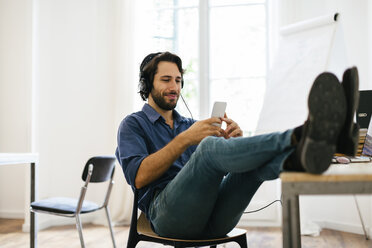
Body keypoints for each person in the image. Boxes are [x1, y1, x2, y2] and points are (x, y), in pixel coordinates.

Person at [115, 51, 359, 239]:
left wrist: (237, 144)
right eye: (166, 79)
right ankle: (303, 134)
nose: (174, 87)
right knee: (209, 148)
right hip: (168, 217)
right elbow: (138, 178)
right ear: (147, 85)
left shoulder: (189, 124)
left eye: (178, 80)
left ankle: (307, 152)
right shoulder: (133, 124)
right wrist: (186, 139)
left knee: (255, 167)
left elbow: (219, 175)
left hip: (213, 218)